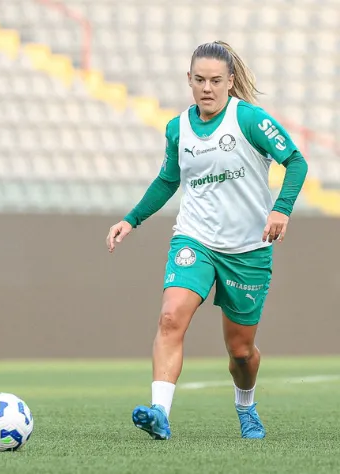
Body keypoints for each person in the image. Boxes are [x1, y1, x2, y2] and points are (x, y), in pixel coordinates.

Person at [106, 41, 308, 441]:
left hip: (248, 249)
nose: (207, 88)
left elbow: (296, 162)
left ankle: (246, 406)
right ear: (189, 80)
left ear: (230, 82)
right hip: (194, 239)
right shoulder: (177, 127)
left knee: (241, 352)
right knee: (170, 317)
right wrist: (131, 220)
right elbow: (168, 179)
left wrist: (281, 208)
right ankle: (159, 412)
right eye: (199, 80)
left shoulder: (249, 119)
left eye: (216, 80)